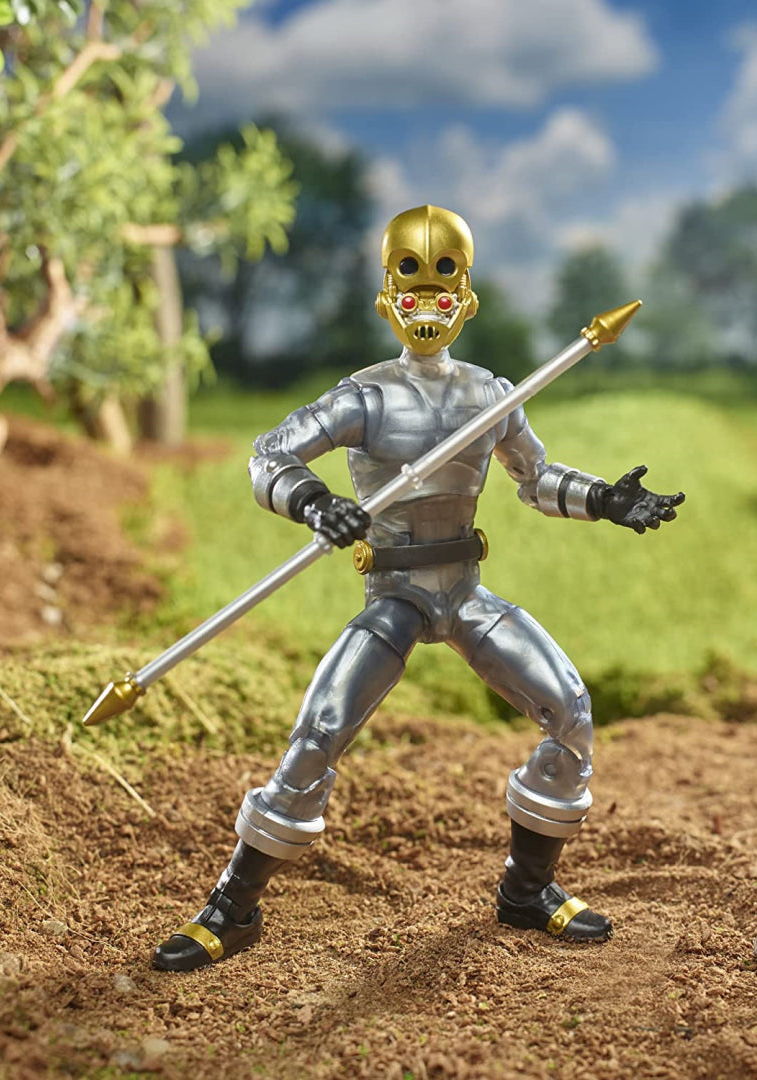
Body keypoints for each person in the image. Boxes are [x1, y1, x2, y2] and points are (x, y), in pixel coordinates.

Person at [153, 205, 684, 972]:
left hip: (464, 592)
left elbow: (535, 479)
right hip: (395, 594)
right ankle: (232, 908)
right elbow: (268, 456)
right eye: (411, 279)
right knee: (319, 729)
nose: (427, 299)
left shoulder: (492, 394)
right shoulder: (364, 398)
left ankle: (527, 890)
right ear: (386, 297)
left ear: (467, 298)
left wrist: (604, 498)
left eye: (444, 282)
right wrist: (314, 502)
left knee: (569, 708)